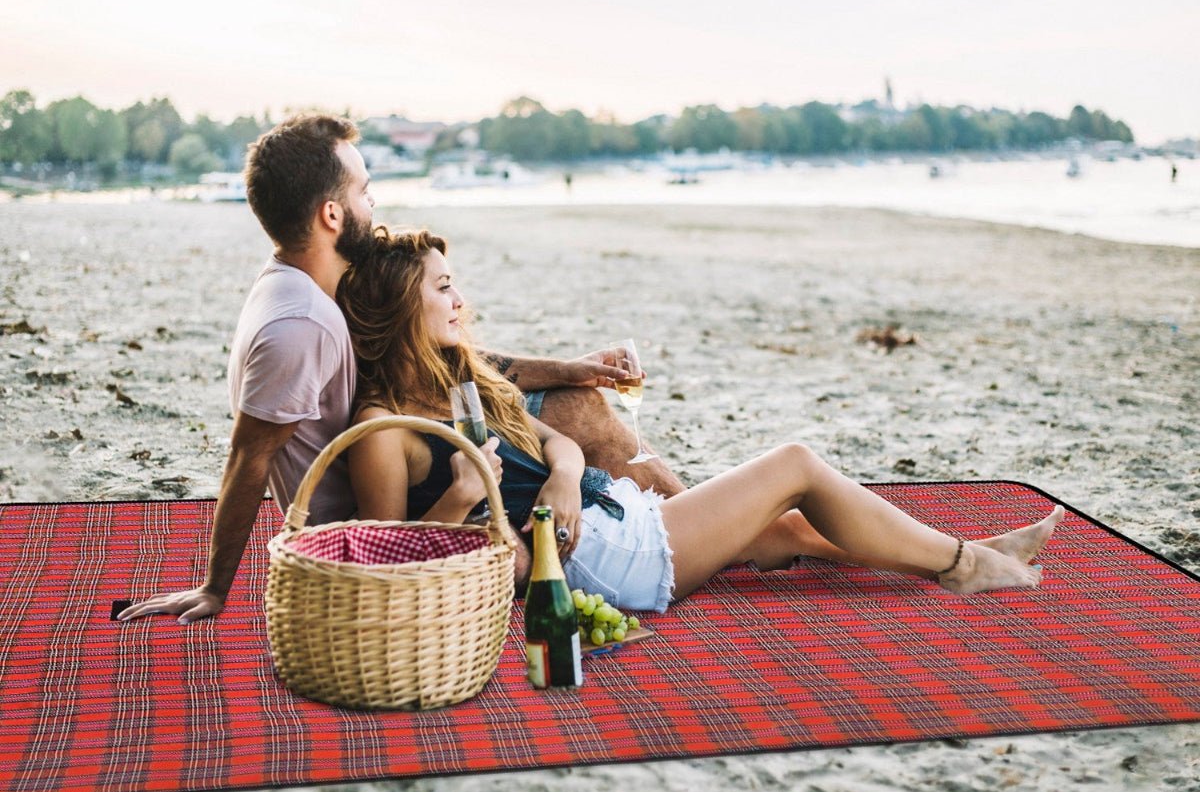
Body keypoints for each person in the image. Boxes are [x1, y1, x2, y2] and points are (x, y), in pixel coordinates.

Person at [116, 113, 702, 625]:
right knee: (575, 416)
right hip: (385, 499)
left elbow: (440, 360)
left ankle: (685, 523)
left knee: (576, 397)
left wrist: (569, 368)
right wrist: (215, 587)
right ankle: (688, 532)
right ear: (330, 213)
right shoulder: (302, 322)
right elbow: (250, 456)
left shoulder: (317, 286)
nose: (373, 205)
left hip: (411, 440)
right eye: (364, 192)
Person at [337, 228, 1063, 609]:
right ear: (403, 309)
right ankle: (963, 565)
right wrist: (464, 494)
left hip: (605, 511)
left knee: (778, 526)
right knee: (796, 466)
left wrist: (564, 474)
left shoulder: (464, 373)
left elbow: (556, 440)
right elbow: (389, 560)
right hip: (603, 561)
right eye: (443, 287)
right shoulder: (386, 429)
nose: (459, 299)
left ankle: (965, 548)